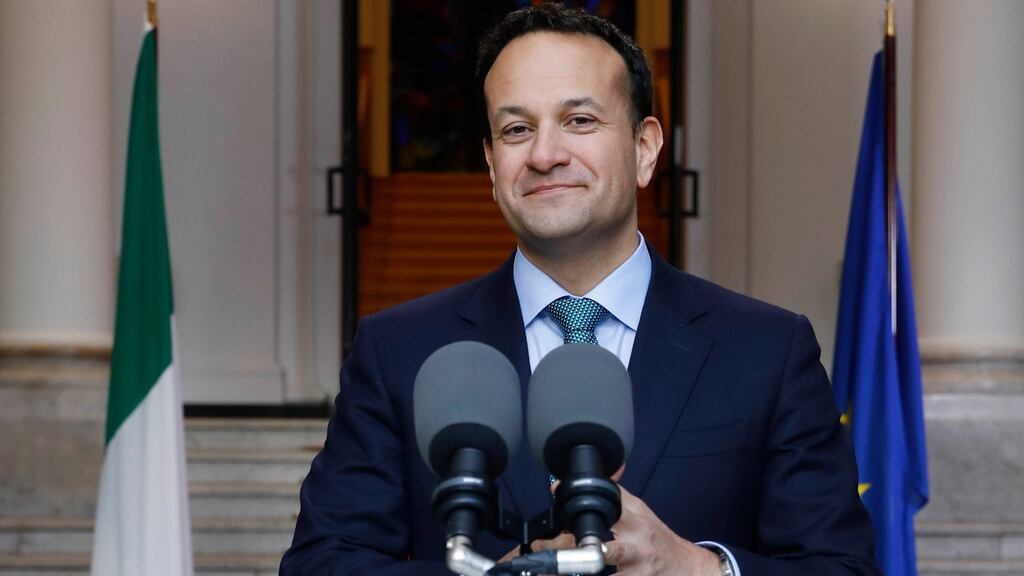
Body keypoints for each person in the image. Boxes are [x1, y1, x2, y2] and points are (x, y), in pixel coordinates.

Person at [281, 4, 879, 575]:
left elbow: (843, 566)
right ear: (492, 167)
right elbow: (320, 564)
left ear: (645, 149)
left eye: (580, 121)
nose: (545, 154)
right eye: (516, 129)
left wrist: (697, 568)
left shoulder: (767, 350)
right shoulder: (399, 351)